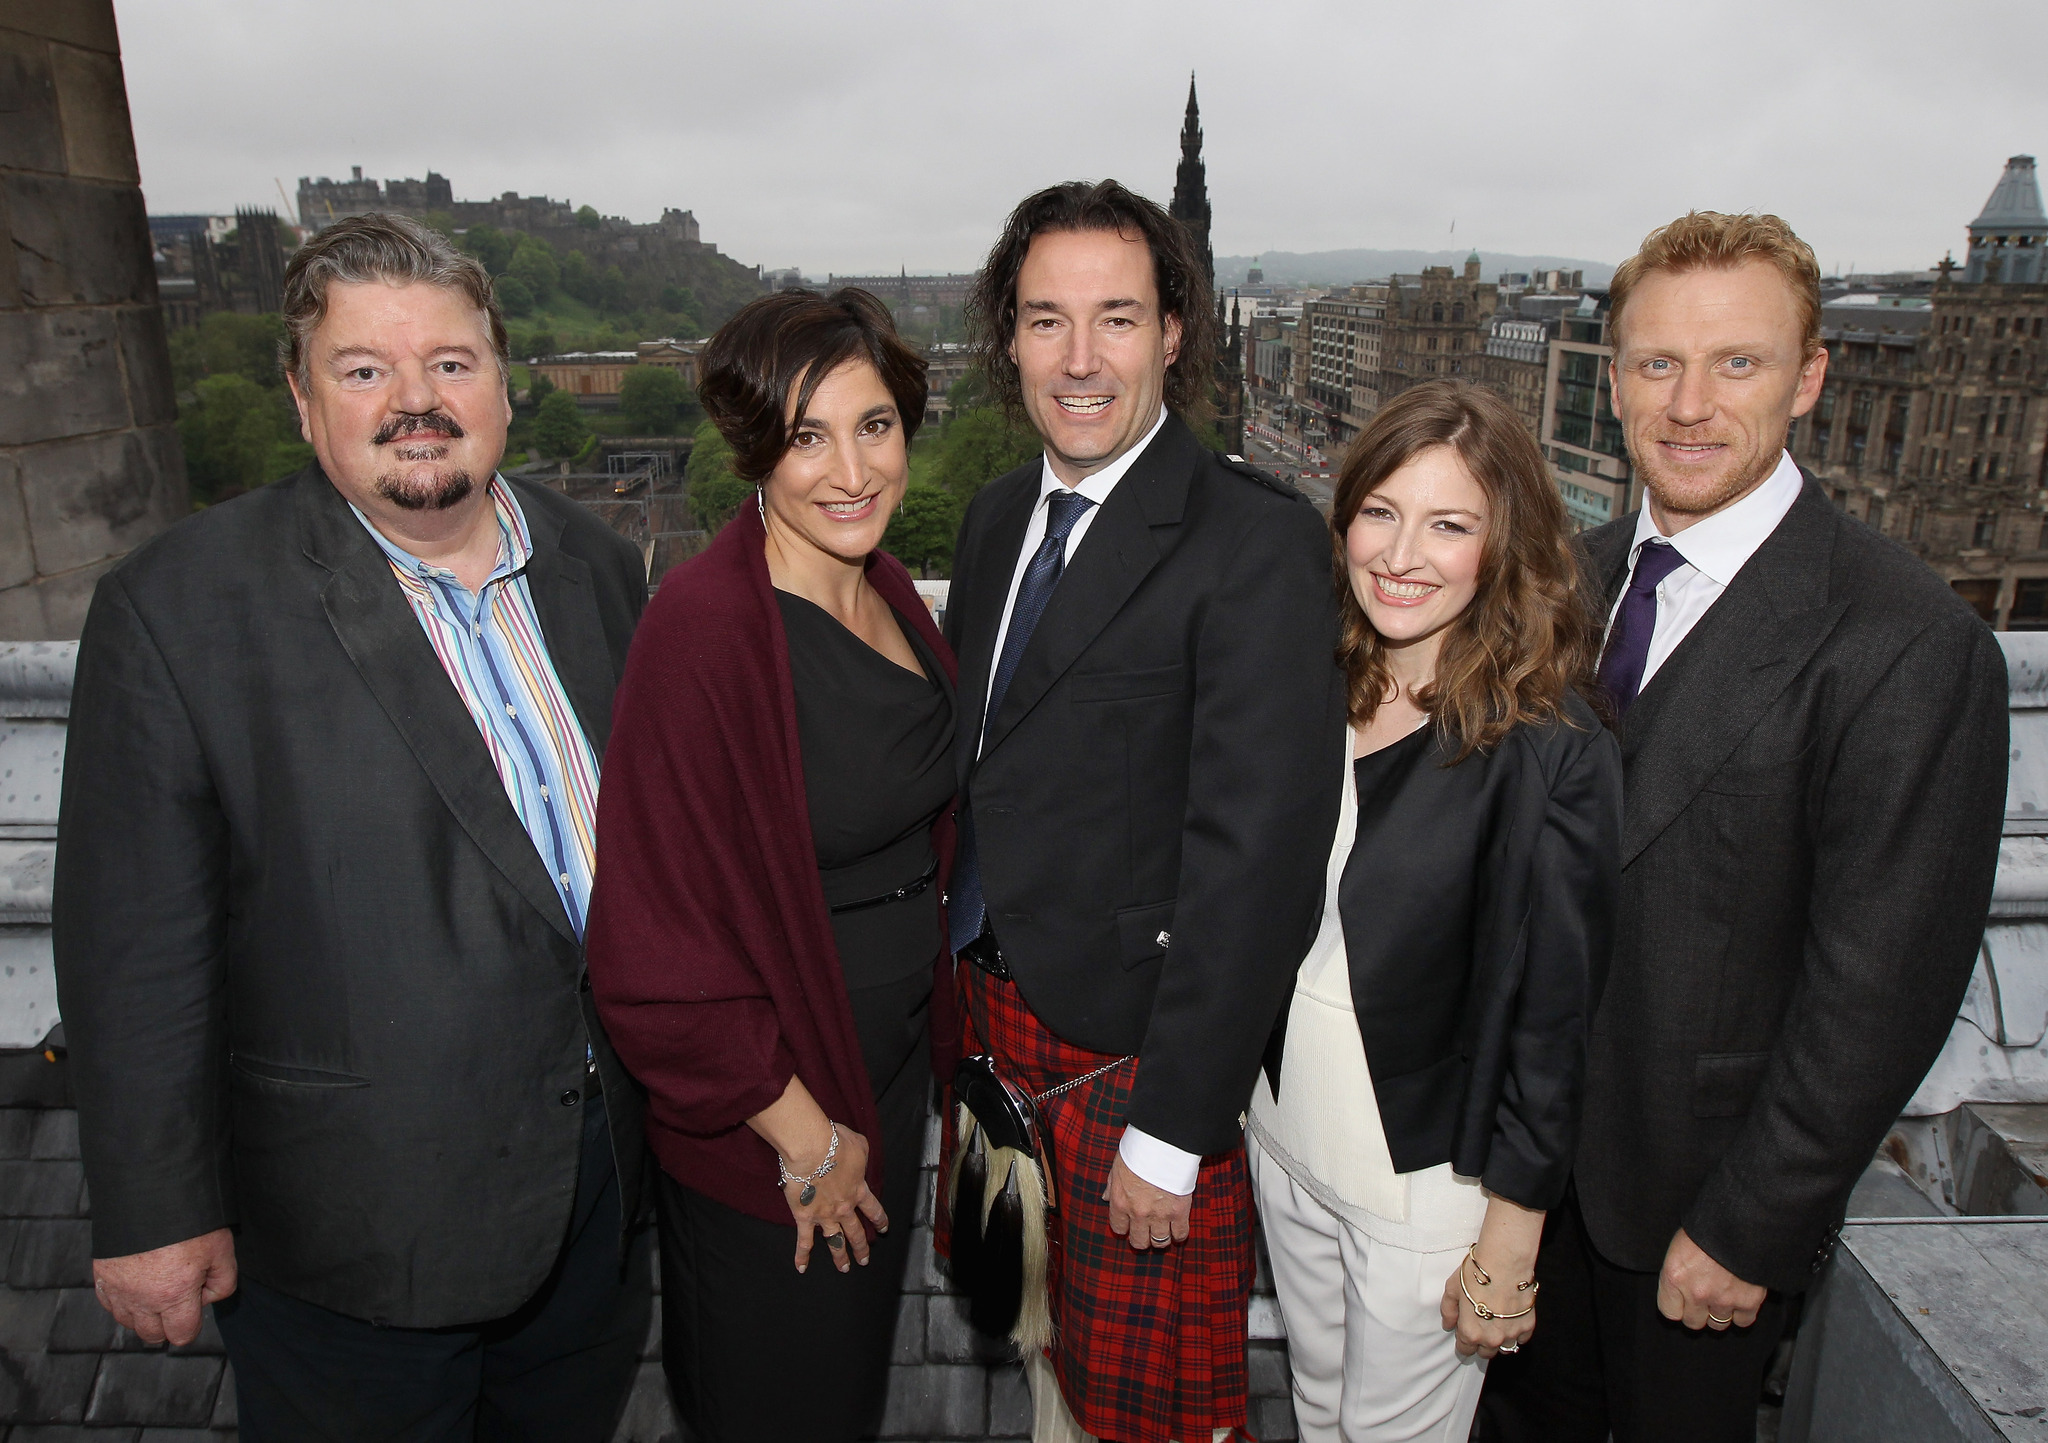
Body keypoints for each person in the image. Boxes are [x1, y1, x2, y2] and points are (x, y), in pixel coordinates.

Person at [52, 214, 652, 1440]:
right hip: (352, 1235)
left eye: (450, 362)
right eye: (364, 369)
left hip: (596, 1193)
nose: (415, 401)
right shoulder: (178, 609)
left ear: (502, 379)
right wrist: (154, 1209)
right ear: (299, 393)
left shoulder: (598, 564)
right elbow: (136, 943)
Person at [1477, 212, 2009, 1443]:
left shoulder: (1907, 642)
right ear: (1612, 382)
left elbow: (1880, 983)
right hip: (1520, 1184)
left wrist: (1749, 1222)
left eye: (1737, 363)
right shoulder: (1565, 578)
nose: (1688, 404)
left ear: (1808, 378)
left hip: (1692, 1212)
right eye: (1657, 363)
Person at [943, 179, 1346, 1443]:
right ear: (1005, 336)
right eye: (1043, 318)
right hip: (992, 1036)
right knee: (1036, 1360)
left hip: (1131, 1061)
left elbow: (1258, 862)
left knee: (1141, 1422)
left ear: (1174, 330)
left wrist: (1174, 1130)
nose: (1077, 359)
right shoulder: (1000, 515)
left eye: (1115, 317)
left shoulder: (1253, 542)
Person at [583, 288, 955, 1443]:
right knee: (778, 1407)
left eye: (874, 425)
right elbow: (648, 952)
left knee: (840, 1396)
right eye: (806, 437)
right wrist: (808, 1139)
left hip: (880, 1081)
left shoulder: (886, 587)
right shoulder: (703, 632)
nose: (851, 470)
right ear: (754, 450)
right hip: (779, 1113)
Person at [1247, 380, 1621, 1442]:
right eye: (1381, 512)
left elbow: (1552, 1028)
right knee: (1317, 1414)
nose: (1402, 553)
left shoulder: (1549, 753)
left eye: (1448, 524)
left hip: (1423, 1184)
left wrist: (1509, 1243)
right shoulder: (1316, 681)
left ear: (1502, 546)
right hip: (1282, 1137)